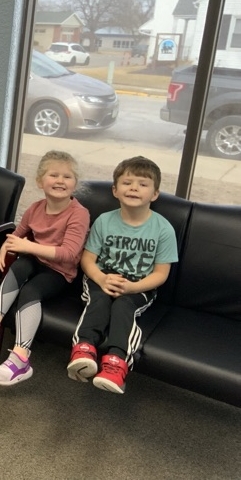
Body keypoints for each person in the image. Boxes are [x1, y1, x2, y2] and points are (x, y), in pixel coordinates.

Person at [0, 151, 90, 385]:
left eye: (67, 176)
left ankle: (21, 358)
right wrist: (5, 247)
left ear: (75, 184)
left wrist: (27, 246)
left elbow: (68, 254)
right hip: (35, 261)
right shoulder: (35, 208)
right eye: (53, 175)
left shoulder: (79, 214)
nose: (60, 180)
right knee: (19, 265)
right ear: (40, 181)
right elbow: (17, 234)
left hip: (60, 272)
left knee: (30, 291)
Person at [67, 156, 178, 394]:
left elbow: (161, 274)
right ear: (115, 190)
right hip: (102, 277)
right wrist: (101, 278)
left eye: (143, 184)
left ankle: (116, 363)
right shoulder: (104, 221)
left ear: (155, 194)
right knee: (98, 300)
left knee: (123, 307)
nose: (134, 188)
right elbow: (87, 259)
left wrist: (132, 288)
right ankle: (84, 349)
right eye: (127, 183)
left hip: (139, 285)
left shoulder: (163, 229)